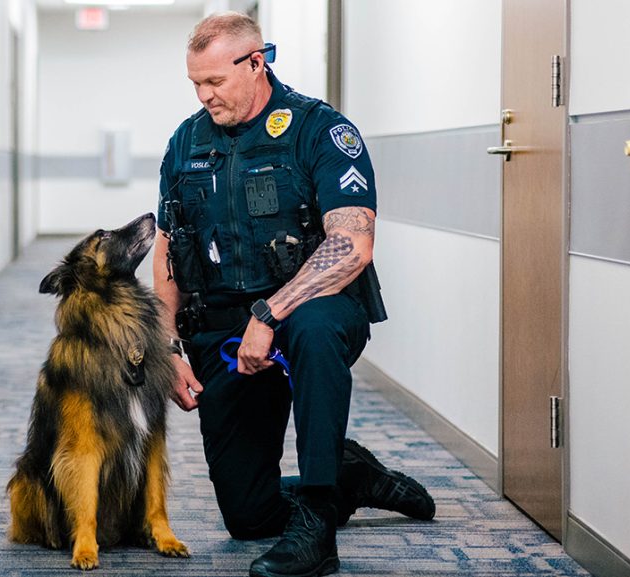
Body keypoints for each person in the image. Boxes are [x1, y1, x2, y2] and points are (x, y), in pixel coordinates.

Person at [153, 12, 435, 577]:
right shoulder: (186, 142)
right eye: (196, 85)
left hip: (311, 310)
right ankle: (349, 474)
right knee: (247, 516)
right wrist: (168, 348)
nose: (205, 96)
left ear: (256, 63)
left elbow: (352, 246)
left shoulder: (319, 130)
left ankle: (318, 518)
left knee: (314, 328)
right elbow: (169, 248)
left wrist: (270, 311)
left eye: (216, 82)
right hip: (225, 327)